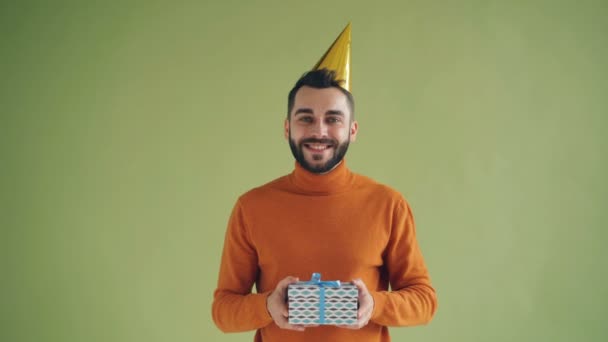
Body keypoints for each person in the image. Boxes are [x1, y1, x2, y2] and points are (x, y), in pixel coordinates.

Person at [212, 25, 437, 342]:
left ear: (352, 130)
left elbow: (425, 301)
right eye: (306, 118)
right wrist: (266, 306)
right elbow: (223, 311)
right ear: (287, 128)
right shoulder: (251, 207)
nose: (319, 131)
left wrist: (375, 304)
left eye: (333, 119)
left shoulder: (388, 204)